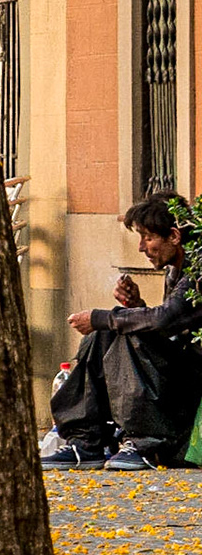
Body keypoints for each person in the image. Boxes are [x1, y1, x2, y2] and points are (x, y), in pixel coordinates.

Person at [45, 194, 202, 470]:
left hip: (192, 383)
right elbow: (168, 325)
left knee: (119, 329)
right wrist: (135, 307)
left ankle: (145, 442)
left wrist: (102, 317)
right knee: (102, 335)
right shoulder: (174, 271)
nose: (141, 247)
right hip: (180, 373)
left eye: (148, 237)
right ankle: (86, 441)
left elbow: (166, 320)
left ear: (174, 236)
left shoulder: (197, 273)